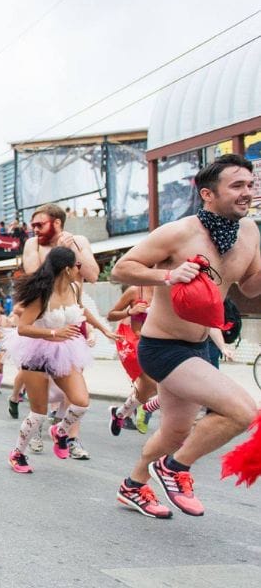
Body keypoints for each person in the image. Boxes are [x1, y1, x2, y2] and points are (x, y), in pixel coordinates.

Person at [111, 154, 259, 519]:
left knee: (175, 433)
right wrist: (168, 276)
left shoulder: (252, 232)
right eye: (237, 186)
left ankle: (133, 486)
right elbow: (120, 270)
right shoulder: (178, 232)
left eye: (250, 185)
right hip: (162, 348)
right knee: (243, 412)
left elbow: (251, 288)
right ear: (208, 194)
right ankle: (174, 469)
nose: (247, 193)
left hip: (200, 347)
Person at [4, 247, 117, 473]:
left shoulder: (74, 287)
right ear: (67, 269)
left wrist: (104, 330)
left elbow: (82, 309)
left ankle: (60, 431)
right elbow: (23, 328)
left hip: (65, 350)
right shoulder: (41, 294)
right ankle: (17, 453)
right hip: (36, 352)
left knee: (81, 401)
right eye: (78, 265)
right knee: (38, 412)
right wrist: (54, 334)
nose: (80, 269)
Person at [106, 285, 157, 435]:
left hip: (153, 341)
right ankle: (148, 410)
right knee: (159, 386)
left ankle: (119, 413)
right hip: (129, 339)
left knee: (145, 391)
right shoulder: (135, 290)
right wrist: (130, 311)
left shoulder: (168, 289)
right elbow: (111, 315)